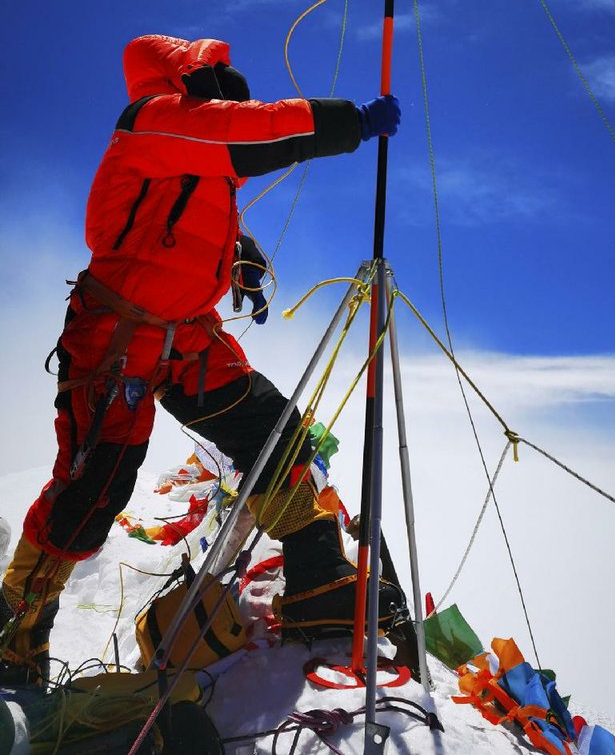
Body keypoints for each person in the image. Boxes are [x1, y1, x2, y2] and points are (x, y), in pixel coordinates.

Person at [0, 34, 404, 684]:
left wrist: (237, 257)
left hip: (188, 336)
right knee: (92, 488)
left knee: (273, 430)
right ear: (183, 79)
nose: (228, 89)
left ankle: (317, 582)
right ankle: (16, 631)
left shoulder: (196, 146)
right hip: (117, 341)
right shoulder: (150, 121)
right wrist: (347, 122)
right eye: (215, 78)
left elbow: (197, 202)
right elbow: (248, 134)